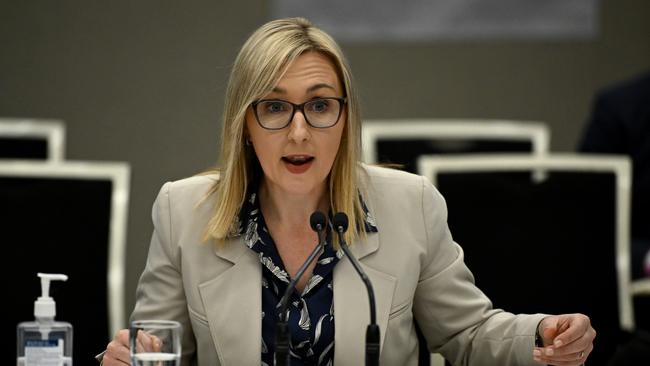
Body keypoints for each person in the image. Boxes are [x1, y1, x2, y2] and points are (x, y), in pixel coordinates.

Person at [100, 17, 595, 365]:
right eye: (274, 108)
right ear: (244, 124)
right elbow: (154, 350)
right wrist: (121, 357)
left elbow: (465, 334)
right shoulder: (183, 211)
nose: (299, 132)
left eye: (319, 106)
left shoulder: (409, 204)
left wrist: (539, 333)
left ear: (345, 119)